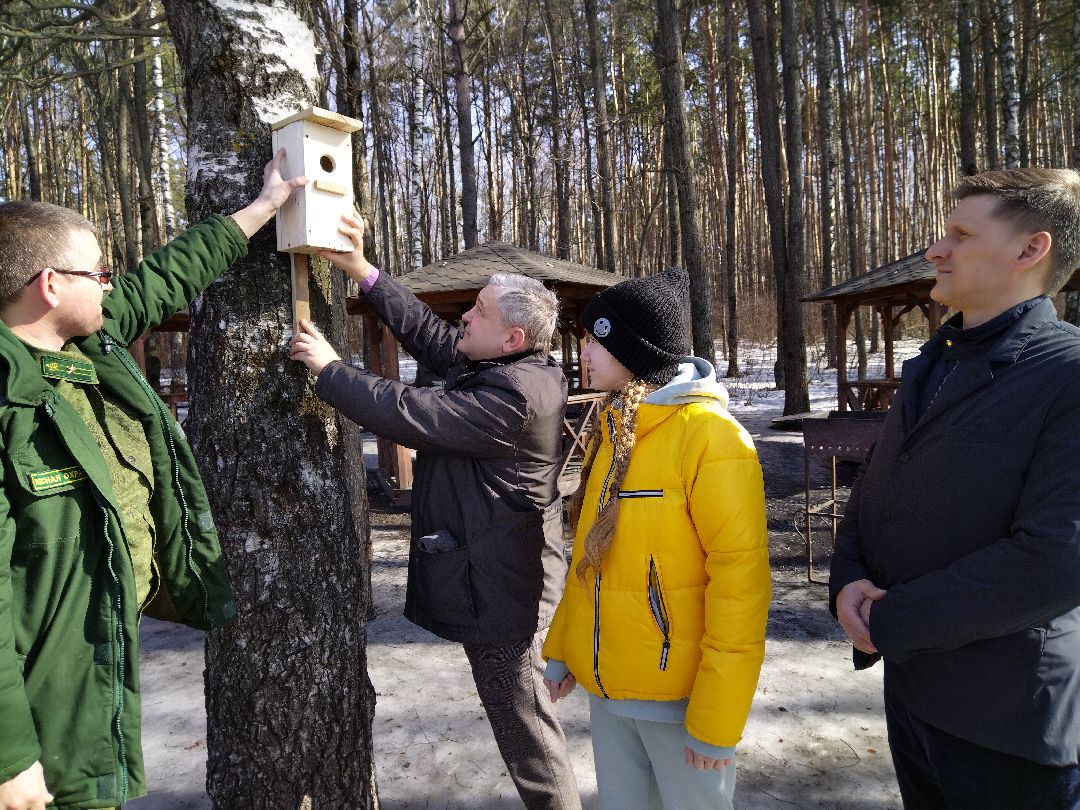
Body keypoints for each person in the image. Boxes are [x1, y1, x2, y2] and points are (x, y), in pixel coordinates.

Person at [0, 150, 305, 810]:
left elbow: (165, 278)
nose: (111, 286)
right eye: (98, 273)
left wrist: (261, 209)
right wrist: (9, 756)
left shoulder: (86, 343)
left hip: (94, 656)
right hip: (34, 691)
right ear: (50, 284)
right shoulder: (7, 401)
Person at [289, 213, 580, 810]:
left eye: (478, 312)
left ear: (513, 339)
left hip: (508, 593)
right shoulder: (503, 366)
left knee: (523, 726)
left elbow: (411, 411)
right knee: (520, 716)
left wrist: (329, 369)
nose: (464, 318)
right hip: (504, 575)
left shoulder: (511, 397)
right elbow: (427, 331)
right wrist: (360, 271)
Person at [830, 168, 1080, 808]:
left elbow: (1056, 560)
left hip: (1009, 725)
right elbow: (875, 495)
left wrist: (889, 618)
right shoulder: (932, 365)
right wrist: (848, 578)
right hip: (915, 699)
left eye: (960, 235)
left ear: (1031, 250)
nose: (936, 249)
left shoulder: (1068, 374)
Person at [539, 267, 771, 810]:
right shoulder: (616, 430)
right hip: (609, 693)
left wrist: (717, 717)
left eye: (595, 341)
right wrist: (564, 651)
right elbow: (591, 562)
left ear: (634, 352)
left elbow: (742, 584)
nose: (584, 354)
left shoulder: (711, 438)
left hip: (682, 706)